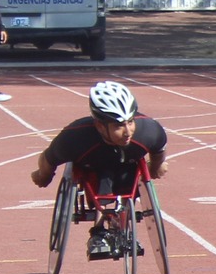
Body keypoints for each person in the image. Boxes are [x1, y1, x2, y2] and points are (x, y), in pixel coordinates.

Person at [30, 81, 167, 261]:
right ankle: (100, 231)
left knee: (130, 175)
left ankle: (122, 225)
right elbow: (48, 159)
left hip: (129, 167)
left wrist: (155, 167)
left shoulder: (149, 131)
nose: (128, 132)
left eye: (130, 122)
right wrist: (43, 175)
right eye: (119, 126)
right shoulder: (75, 137)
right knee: (101, 175)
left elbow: (159, 152)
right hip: (93, 169)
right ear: (101, 126)